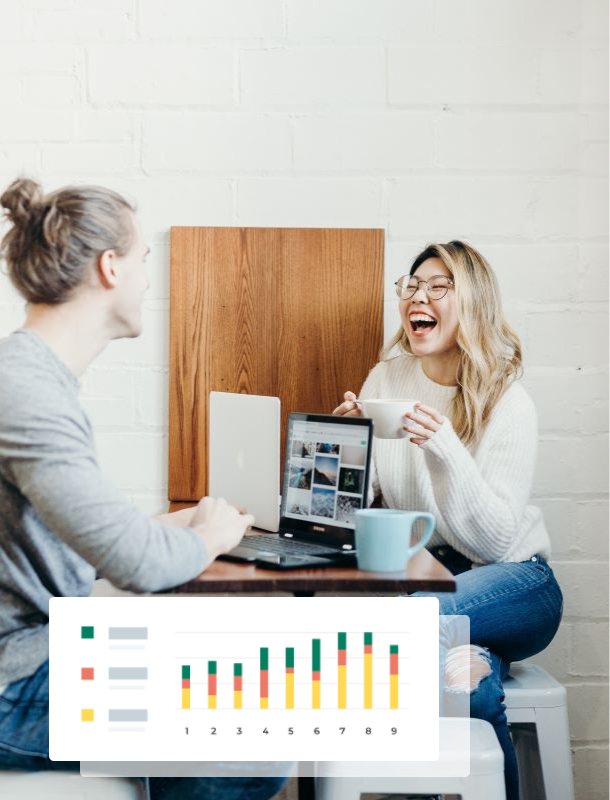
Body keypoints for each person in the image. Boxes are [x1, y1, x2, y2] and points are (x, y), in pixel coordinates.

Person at [0, 177, 292, 799]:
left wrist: (169, 526)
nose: (147, 281)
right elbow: (137, 566)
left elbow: (66, 544)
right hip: (12, 683)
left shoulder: (33, 378)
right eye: (143, 261)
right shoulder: (27, 393)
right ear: (110, 268)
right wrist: (210, 536)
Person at [333, 240, 563, 800]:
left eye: (439, 287)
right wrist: (349, 450)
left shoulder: (508, 401)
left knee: (406, 623)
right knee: (465, 679)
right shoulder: (386, 379)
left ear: (473, 302)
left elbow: (496, 540)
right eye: (412, 285)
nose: (420, 296)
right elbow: (367, 507)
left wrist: (444, 448)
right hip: (435, 582)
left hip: (515, 582)